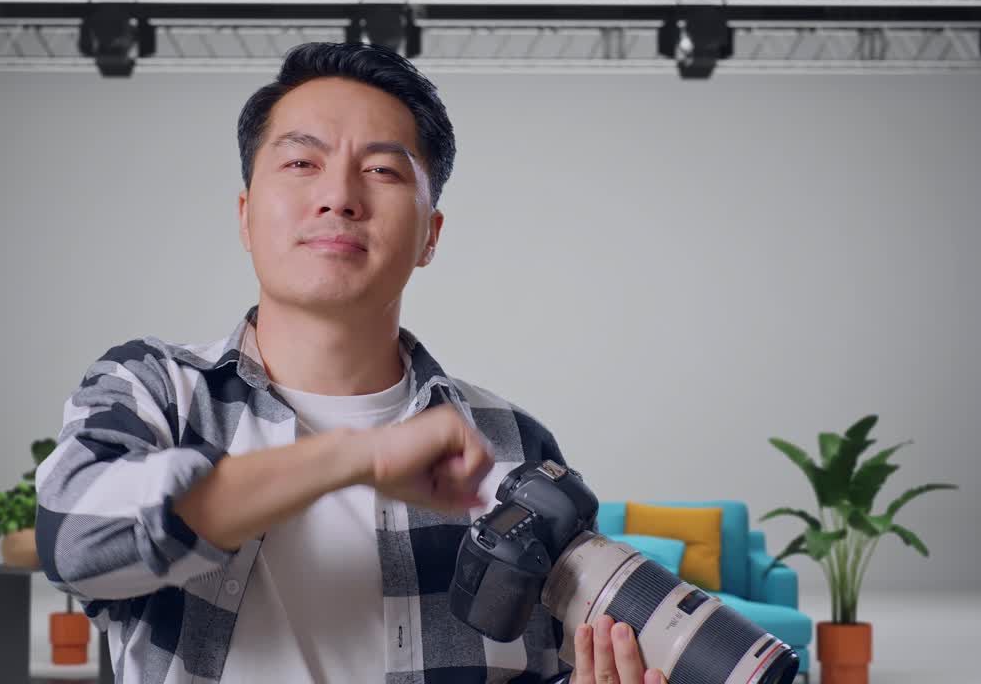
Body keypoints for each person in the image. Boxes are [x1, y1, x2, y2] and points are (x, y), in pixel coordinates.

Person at [36, 41, 666, 684]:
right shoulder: (156, 390)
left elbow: (540, 666)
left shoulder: (514, 445)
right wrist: (353, 458)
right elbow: (73, 539)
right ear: (247, 216)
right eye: (302, 162)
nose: (337, 196)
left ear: (430, 235)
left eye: (383, 171)